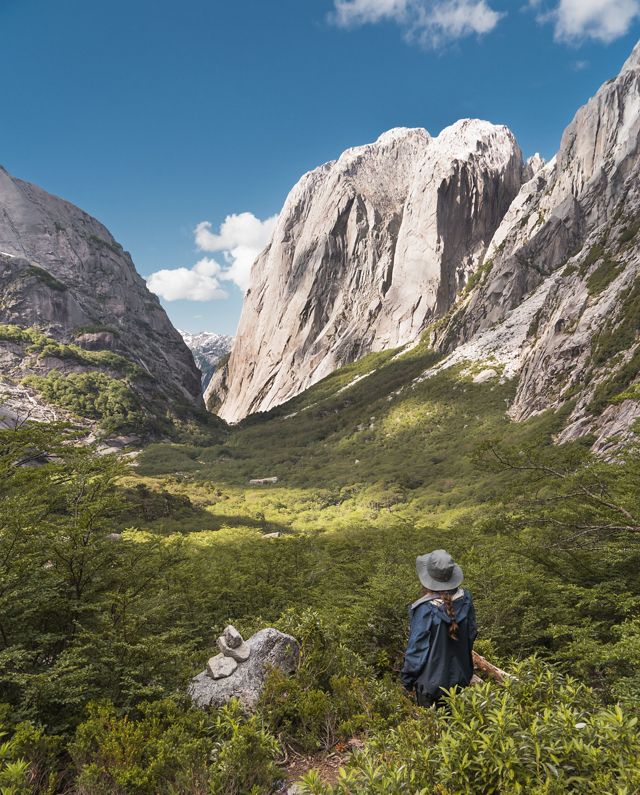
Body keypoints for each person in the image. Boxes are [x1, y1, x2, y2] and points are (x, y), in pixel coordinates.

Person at [400, 549, 477, 707]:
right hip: (460, 681)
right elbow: (471, 636)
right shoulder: (466, 600)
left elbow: (416, 651)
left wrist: (407, 681)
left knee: (433, 730)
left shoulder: (425, 609)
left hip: (430, 687)